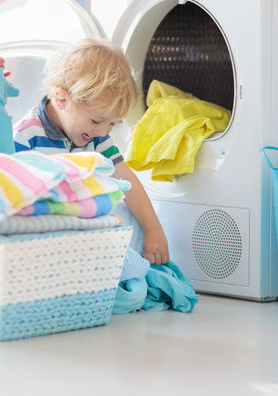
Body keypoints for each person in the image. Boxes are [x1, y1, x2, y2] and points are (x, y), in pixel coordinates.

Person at [12, 39, 170, 265]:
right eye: (96, 121)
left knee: (126, 214)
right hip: (41, 237)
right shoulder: (26, 136)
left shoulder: (95, 136)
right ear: (61, 98)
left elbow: (126, 178)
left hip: (79, 234)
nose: (104, 132)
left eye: (113, 123)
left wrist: (153, 229)